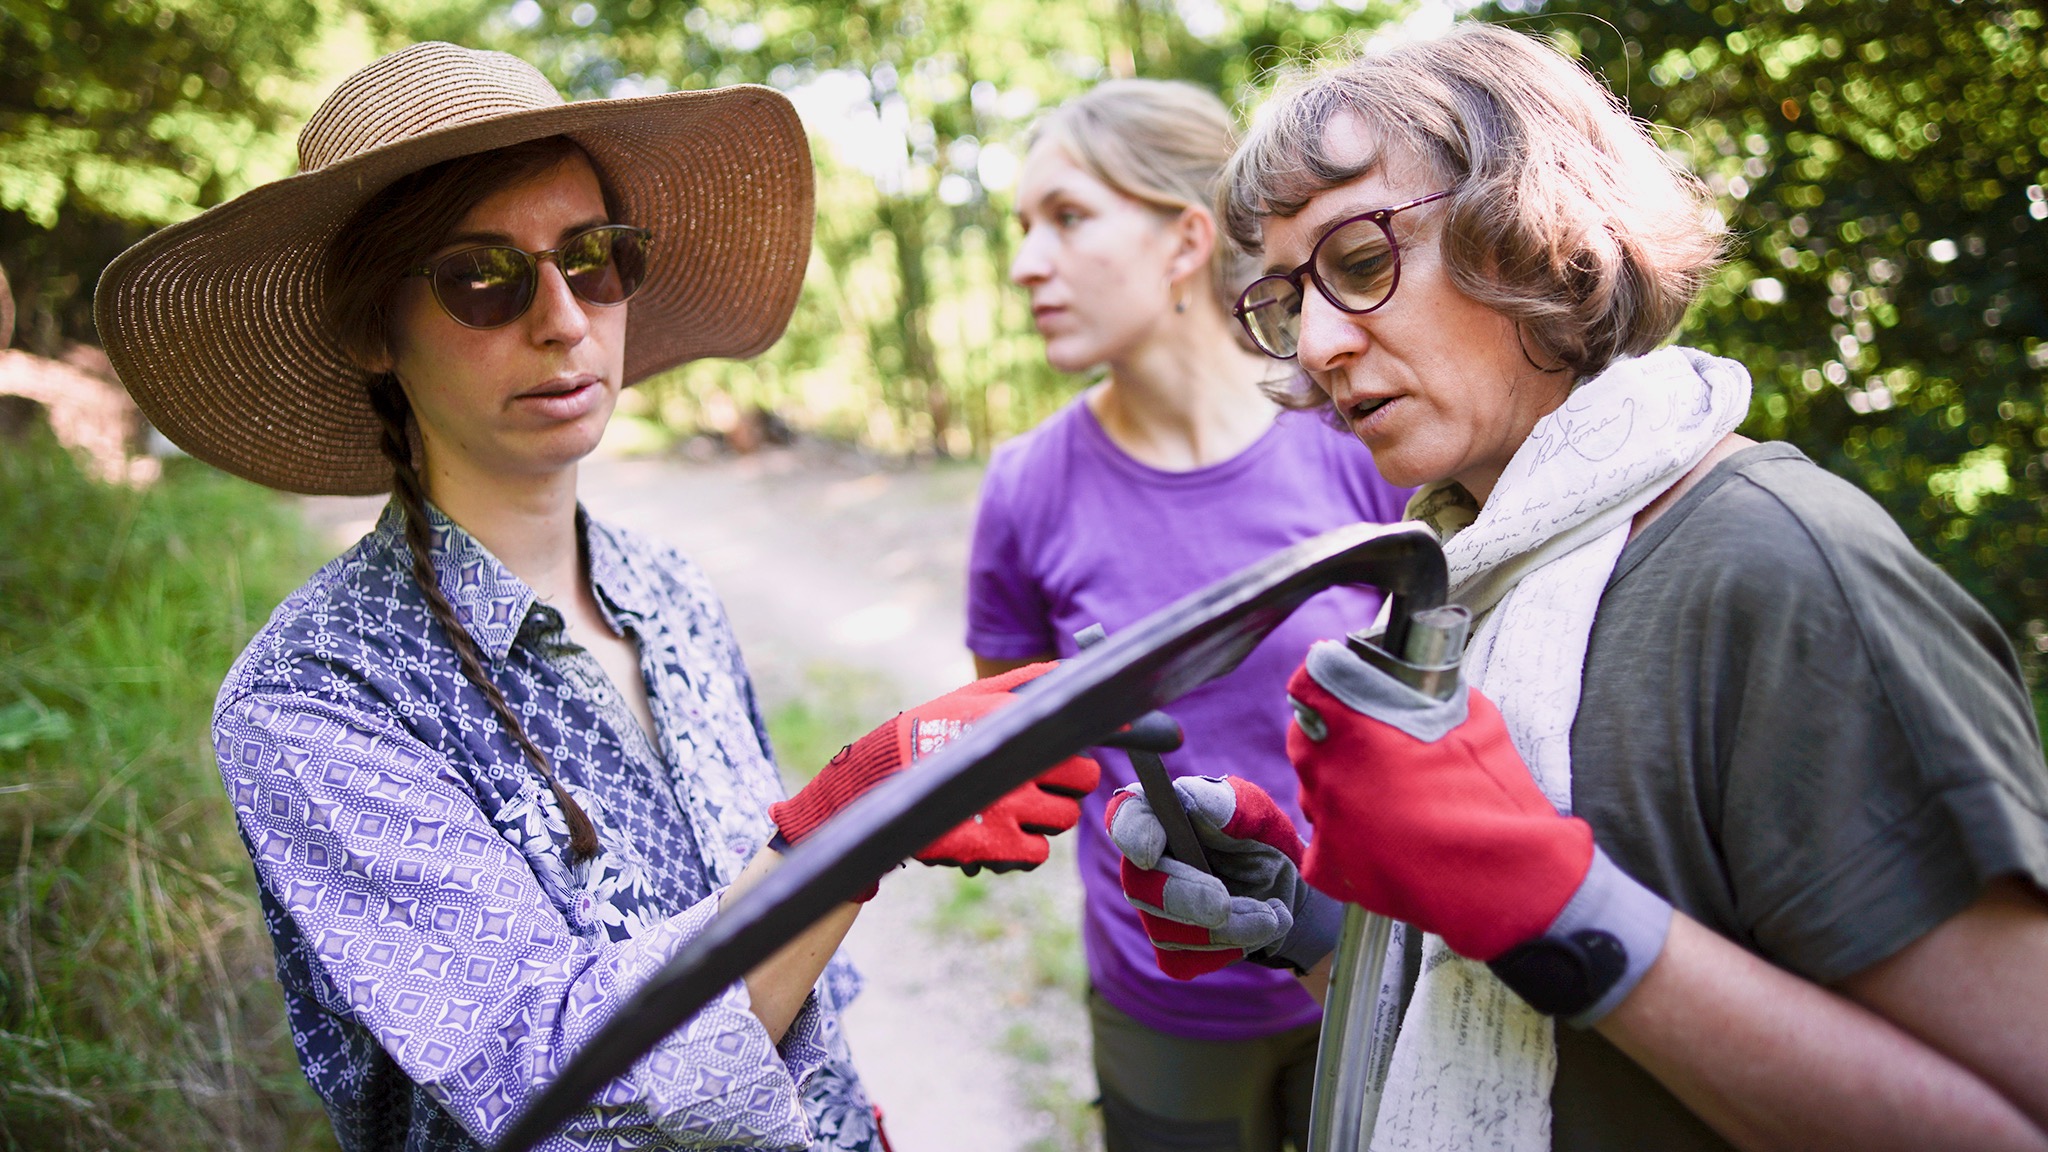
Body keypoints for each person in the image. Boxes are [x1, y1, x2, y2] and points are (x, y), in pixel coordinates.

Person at [94, 42, 1097, 1152]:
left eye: (594, 257)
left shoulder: (669, 593)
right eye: (483, 274)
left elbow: (802, 994)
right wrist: (843, 828)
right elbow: (549, 1082)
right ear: (372, 329)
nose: (565, 318)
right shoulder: (315, 698)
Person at [1104, 24, 2048, 1152]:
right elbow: (1546, 1055)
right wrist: (1305, 925)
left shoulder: (1781, 571)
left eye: (1358, 264)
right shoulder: (1468, 582)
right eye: (1285, 299)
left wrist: (1552, 905)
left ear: (1535, 225)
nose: (1313, 346)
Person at [972, 80, 1411, 1152]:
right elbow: (1013, 739)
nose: (1028, 261)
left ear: (1183, 243)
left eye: (1067, 219)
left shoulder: (1353, 435)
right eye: (1023, 229)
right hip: (1158, 994)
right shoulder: (1026, 487)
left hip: (1371, 974)